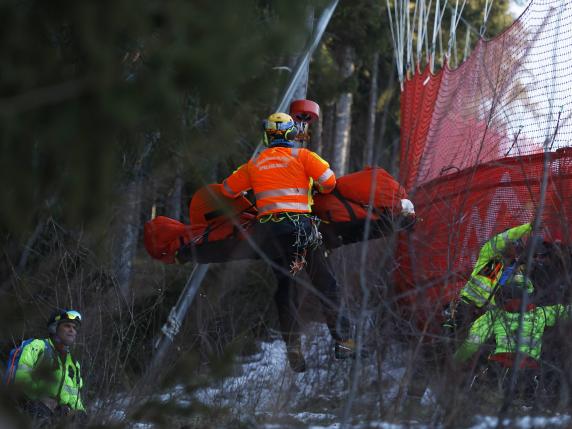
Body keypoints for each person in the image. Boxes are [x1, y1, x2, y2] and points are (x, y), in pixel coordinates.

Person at [220, 112, 354, 372]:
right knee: (326, 284)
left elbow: (227, 190)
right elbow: (330, 182)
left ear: (267, 135)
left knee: (286, 289)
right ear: (292, 135)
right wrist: (310, 186)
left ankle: (293, 350)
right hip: (301, 229)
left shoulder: (254, 164)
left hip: (270, 235)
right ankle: (344, 344)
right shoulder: (303, 157)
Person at [454, 275, 570, 406]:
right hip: (528, 371)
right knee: (524, 411)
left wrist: (454, 361)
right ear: (531, 294)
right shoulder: (542, 313)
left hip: (497, 370)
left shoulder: (493, 316)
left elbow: (471, 344)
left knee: (483, 407)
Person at [446, 222, 535, 329]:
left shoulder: (511, 269)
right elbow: (504, 238)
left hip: (484, 315)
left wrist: (519, 281)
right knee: (450, 334)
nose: (515, 249)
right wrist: (528, 227)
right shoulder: (489, 256)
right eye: (513, 244)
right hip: (465, 306)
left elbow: (527, 289)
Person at [10, 309, 86, 426]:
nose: (72, 330)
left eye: (74, 328)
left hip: (57, 416)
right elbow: (21, 380)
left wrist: (80, 413)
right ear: (54, 328)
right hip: (29, 409)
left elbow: (75, 399)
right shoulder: (37, 347)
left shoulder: (73, 364)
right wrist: (42, 399)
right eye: (67, 326)